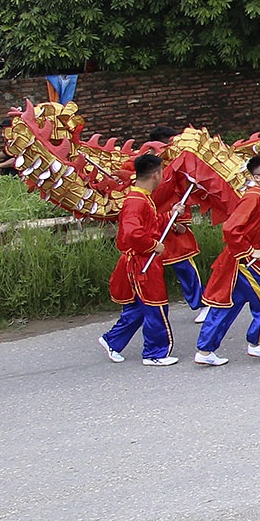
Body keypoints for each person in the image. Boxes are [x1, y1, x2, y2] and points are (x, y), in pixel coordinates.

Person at [194, 153, 260, 365]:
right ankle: (257, 343)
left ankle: (205, 351)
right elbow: (231, 228)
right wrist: (250, 251)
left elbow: (251, 229)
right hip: (242, 261)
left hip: (238, 259)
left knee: (229, 304)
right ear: (257, 177)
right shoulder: (254, 197)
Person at [99, 152, 176, 366]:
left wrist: (171, 214)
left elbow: (149, 224)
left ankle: (112, 341)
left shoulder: (141, 197)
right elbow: (133, 233)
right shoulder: (136, 201)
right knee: (154, 304)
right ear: (156, 174)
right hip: (142, 261)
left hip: (142, 260)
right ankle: (154, 353)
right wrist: (153, 246)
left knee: (138, 308)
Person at [144, 128, 205, 319]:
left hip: (171, 223)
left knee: (184, 267)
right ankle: (146, 309)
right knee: (145, 268)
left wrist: (180, 222)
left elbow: (181, 193)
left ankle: (202, 303)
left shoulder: (175, 168)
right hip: (150, 226)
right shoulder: (144, 167)